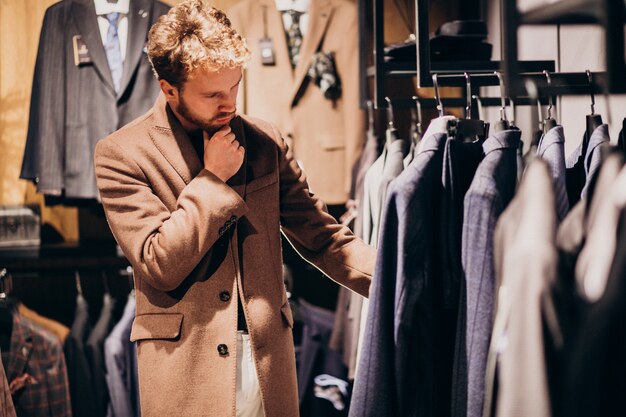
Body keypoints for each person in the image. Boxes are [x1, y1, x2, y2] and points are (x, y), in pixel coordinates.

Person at [93, 1, 375, 416]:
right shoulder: (122, 154)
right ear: (168, 87)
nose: (229, 104)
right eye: (213, 94)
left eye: (235, 86)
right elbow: (159, 263)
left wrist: (397, 281)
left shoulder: (265, 142)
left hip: (269, 366)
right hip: (186, 373)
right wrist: (212, 180)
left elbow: (324, 238)